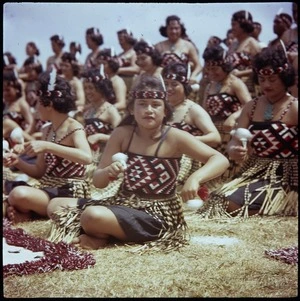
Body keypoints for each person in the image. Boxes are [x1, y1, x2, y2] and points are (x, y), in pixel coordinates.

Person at [46, 75, 229, 253]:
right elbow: (98, 182)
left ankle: (101, 234)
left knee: (92, 216)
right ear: (132, 109)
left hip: (157, 214)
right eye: (142, 104)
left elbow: (220, 159)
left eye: (156, 105)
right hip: (122, 203)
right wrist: (108, 171)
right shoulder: (122, 134)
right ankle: (108, 229)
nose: (149, 110)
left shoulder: (175, 137)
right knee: (56, 205)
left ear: (165, 111)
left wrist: (195, 179)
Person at [196, 47, 298, 219]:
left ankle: (284, 206)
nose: (266, 84)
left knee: (228, 203)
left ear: (284, 78)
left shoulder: (294, 106)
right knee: (217, 199)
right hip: (255, 172)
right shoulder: (251, 106)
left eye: (272, 79)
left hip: (286, 177)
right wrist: (234, 149)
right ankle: (274, 208)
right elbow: (233, 143)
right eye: (262, 79)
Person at [3, 69, 93, 224]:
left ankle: (27, 213)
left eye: (38, 102)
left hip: (70, 191)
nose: (36, 108)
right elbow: (39, 172)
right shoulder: (47, 130)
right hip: (48, 188)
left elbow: (87, 158)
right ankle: (27, 213)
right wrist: (18, 162)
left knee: (18, 194)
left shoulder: (74, 127)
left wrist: (48, 146)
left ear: (49, 104)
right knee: (11, 188)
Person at [161, 62, 221, 187]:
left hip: (186, 161)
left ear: (185, 86)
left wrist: (186, 142)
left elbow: (215, 137)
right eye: (166, 84)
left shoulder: (193, 109)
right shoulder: (161, 108)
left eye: (174, 84)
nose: (169, 88)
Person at [202, 44, 252, 184]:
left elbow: (249, 105)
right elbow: (204, 110)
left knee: (230, 170)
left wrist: (233, 116)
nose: (211, 72)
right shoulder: (209, 86)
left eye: (215, 69)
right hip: (214, 133)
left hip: (230, 133)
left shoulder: (235, 83)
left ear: (224, 66)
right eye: (209, 69)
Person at [154, 15, 202, 85]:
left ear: (181, 29)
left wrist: (193, 76)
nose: (174, 31)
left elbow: (198, 66)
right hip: (163, 83)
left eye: (176, 28)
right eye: (171, 28)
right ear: (166, 29)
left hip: (182, 83)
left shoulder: (188, 45)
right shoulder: (158, 46)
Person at [227, 10, 262, 98]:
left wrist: (241, 73)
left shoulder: (252, 43)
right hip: (232, 88)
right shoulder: (233, 44)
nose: (232, 28)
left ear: (244, 25)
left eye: (234, 24)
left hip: (248, 89)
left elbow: (260, 68)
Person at [95, 48, 127, 115]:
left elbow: (122, 103)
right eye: (99, 64)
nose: (100, 67)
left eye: (103, 64)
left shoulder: (117, 81)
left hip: (116, 115)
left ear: (111, 64)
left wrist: (105, 111)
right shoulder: (103, 80)